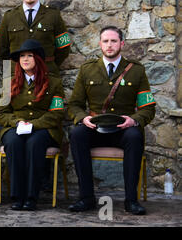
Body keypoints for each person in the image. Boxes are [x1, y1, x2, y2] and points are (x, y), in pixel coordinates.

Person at [67, 26, 156, 215]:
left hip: (123, 129)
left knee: (134, 136)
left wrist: (134, 120)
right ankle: (86, 198)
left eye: (114, 41)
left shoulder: (136, 71)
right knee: (76, 134)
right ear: (100, 44)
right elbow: (74, 104)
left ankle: (131, 201)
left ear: (122, 44)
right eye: (105, 41)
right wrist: (84, 118)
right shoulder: (87, 70)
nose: (109, 45)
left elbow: (148, 108)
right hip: (95, 129)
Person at [0, 40, 64, 211]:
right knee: (13, 143)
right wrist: (17, 122)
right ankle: (17, 196)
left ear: (38, 59)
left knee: (35, 143)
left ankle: (31, 197)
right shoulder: (8, 82)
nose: (25, 59)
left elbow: (56, 113)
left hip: (44, 128)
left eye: (29, 55)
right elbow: (2, 113)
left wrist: (33, 125)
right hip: (15, 127)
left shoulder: (54, 82)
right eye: (22, 56)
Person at [0, 0, 70, 76]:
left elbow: (64, 46)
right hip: (18, 75)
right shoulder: (10, 16)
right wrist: (16, 66)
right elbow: (2, 49)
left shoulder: (53, 15)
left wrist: (49, 63)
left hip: (46, 72)